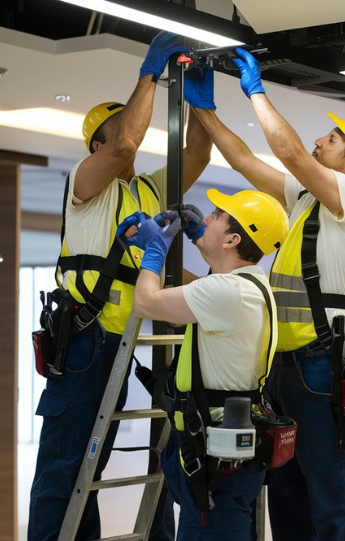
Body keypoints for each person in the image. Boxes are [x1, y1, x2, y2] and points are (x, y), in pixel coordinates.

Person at [184, 48, 345, 540]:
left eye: (334, 138)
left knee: (331, 487)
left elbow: (292, 153)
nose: (323, 139)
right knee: (287, 489)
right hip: (284, 363)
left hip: (319, 364)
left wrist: (255, 91)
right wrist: (203, 110)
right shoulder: (305, 200)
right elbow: (241, 159)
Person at [28, 32, 212, 541]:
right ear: (97, 143)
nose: (133, 133)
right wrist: (148, 74)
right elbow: (127, 142)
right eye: (118, 127)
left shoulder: (147, 189)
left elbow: (197, 150)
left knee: (94, 469)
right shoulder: (86, 183)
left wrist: (198, 101)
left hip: (131, 339)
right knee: (65, 471)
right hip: (86, 340)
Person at [117, 187, 289, 540]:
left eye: (215, 217)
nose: (206, 218)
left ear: (233, 239)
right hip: (224, 451)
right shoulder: (248, 286)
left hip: (214, 456)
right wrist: (197, 235)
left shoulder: (227, 291)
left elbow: (146, 304)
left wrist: (155, 250)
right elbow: (200, 293)